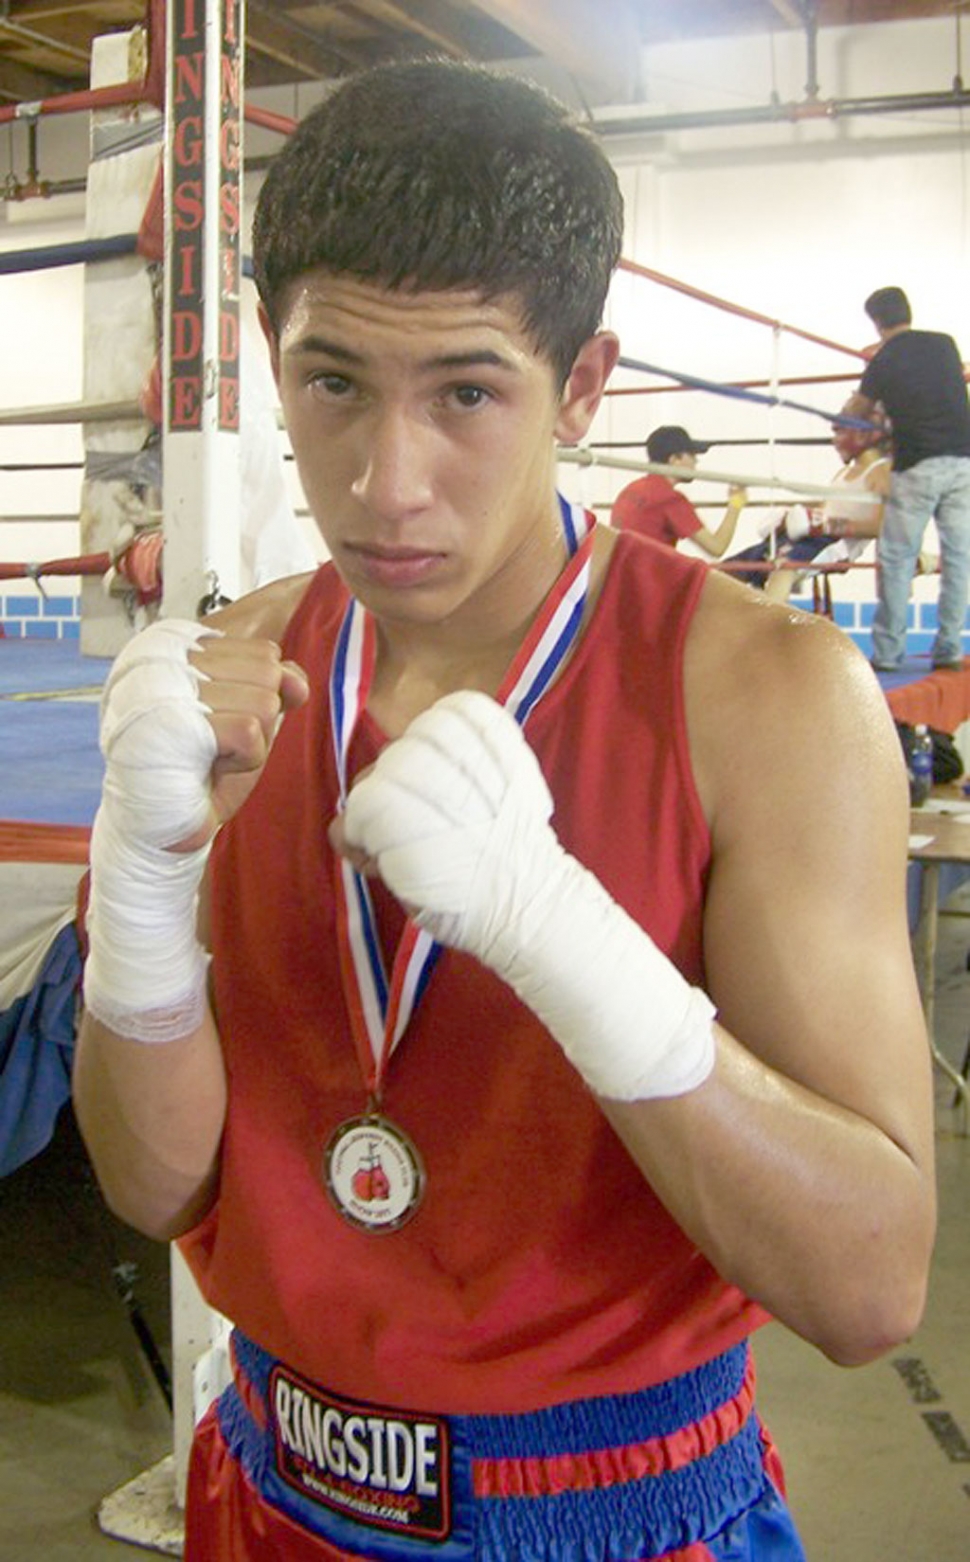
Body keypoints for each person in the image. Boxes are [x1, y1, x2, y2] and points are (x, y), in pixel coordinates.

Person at [73, 60, 936, 1562]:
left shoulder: (762, 701)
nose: (384, 480)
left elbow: (869, 1290)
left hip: (613, 1509)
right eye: (332, 381)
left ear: (581, 386)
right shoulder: (235, 690)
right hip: (268, 1484)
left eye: (466, 392)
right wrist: (140, 885)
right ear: (271, 355)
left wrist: (564, 936)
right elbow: (160, 1188)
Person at [842, 286, 970, 671]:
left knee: (897, 558)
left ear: (876, 322)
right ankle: (948, 648)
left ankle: (888, 654)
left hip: (917, 464)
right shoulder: (945, 344)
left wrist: (870, 379)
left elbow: (855, 411)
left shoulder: (884, 360)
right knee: (959, 557)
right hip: (964, 461)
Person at [726, 421, 891, 603]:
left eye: (840, 433)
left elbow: (882, 526)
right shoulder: (844, 472)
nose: (835, 441)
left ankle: (769, 626)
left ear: (861, 435)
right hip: (811, 538)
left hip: (837, 544)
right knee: (730, 570)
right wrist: (790, 519)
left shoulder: (881, 472)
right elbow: (826, 509)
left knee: (783, 570)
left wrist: (825, 525)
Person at [610, 424, 748, 556]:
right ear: (674, 459)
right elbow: (717, 548)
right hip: (650, 578)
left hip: (622, 576)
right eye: (692, 455)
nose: (696, 462)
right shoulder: (669, 498)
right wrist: (735, 504)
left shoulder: (630, 490)